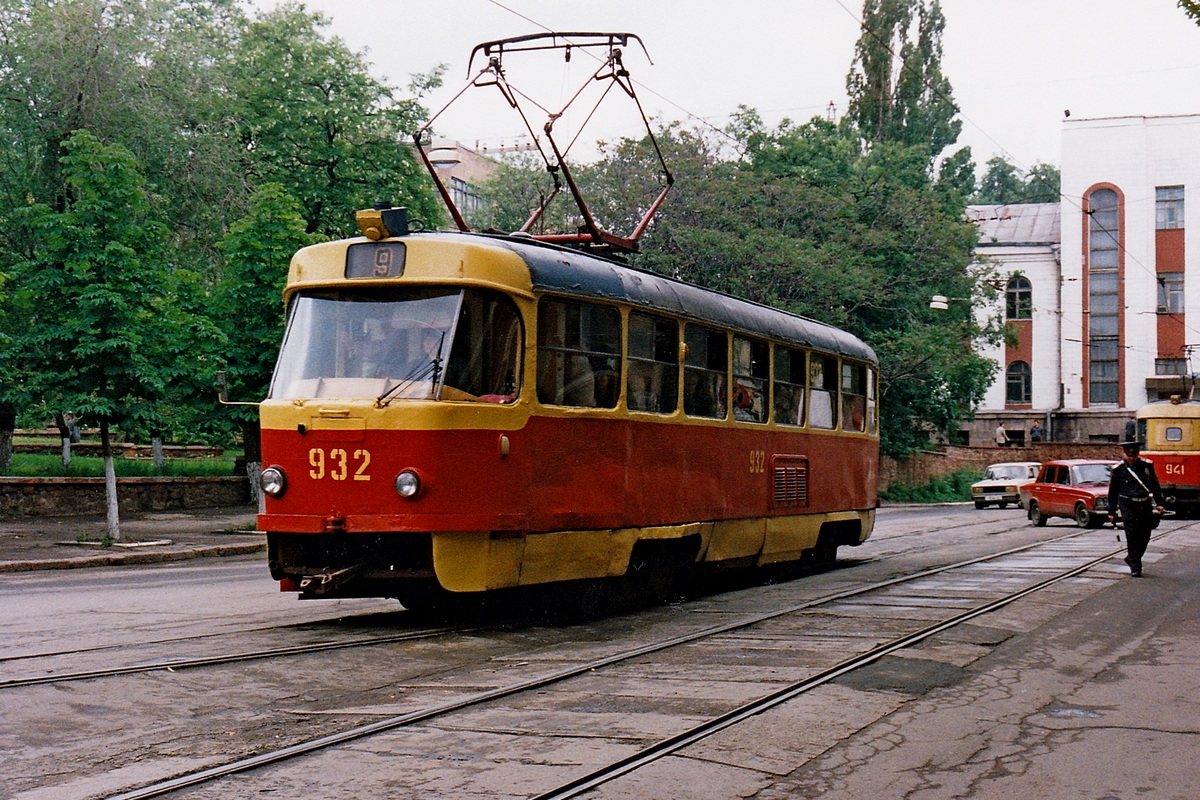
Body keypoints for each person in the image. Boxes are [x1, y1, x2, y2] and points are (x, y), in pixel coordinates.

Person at [1107, 440, 1165, 577]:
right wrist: (1111, 511)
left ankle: (1132, 558)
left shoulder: (1146, 466)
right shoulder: (1118, 469)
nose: (1132, 457)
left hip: (1144, 504)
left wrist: (1159, 502)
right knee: (1132, 536)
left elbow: (1154, 484)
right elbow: (1113, 491)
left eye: (1134, 455)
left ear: (1138, 454)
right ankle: (1136, 566)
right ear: (1124, 453)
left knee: (1145, 536)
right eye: (1129, 454)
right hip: (1128, 505)